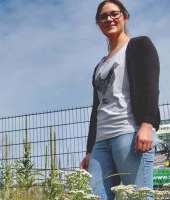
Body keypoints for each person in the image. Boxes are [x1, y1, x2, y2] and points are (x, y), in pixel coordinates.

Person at [80, 0, 160, 199]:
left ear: (125, 16)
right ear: (98, 24)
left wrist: (147, 125)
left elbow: (150, 86)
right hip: (101, 142)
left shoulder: (139, 45)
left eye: (114, 14)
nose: (109, 19)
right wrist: (90, 150)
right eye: (103, 16)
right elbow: (96, 109)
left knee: (138, 196)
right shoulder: (100, 66)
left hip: (129, 133)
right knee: (95, 196)